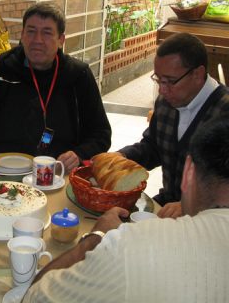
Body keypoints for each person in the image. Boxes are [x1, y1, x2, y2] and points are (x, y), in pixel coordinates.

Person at [24, 118, 229, 302]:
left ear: (189, 173)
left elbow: (36, 296)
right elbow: (149, 147)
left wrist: (96, 236)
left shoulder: (130, 246)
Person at [0, 3, 111, 172]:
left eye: (47, 33)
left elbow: (101, 134)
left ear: (61, 40)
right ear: (22, 35)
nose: (37, 40)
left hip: (55, 173)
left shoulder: (78, 75)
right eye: (31, 31)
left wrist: (79, 154)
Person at [115, 32, 229, 219]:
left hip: (210, 221)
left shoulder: (224, 112)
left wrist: (191, 207)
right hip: (166, 206)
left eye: (170, 81)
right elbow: (153, 148)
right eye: (158, 79)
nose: (162, 89)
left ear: (198, 74)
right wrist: (120, 157)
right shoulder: (166, 102)